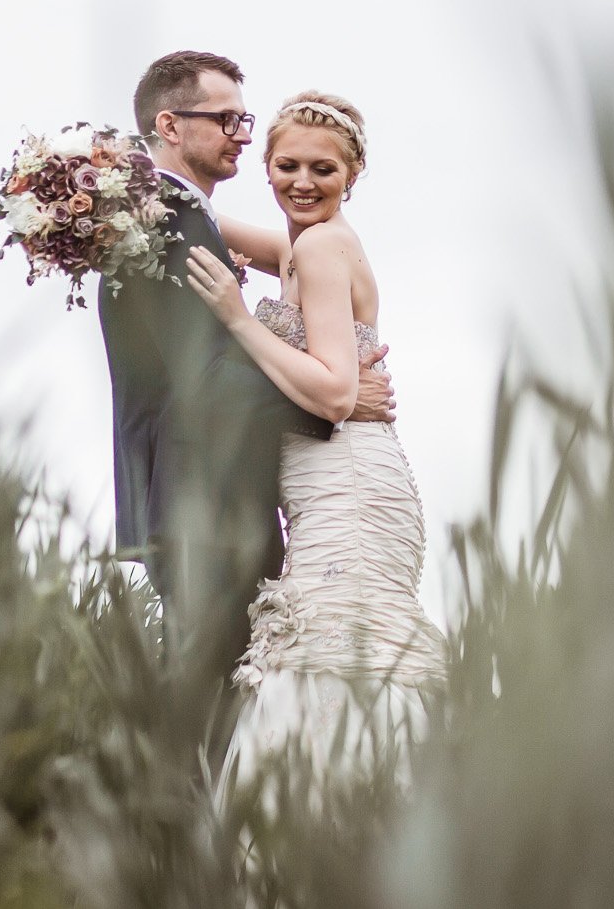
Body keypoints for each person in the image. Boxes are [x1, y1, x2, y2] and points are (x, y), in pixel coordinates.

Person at [97, 52, 397, 772]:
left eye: (244, 120)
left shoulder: (215, 222)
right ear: (170, 124)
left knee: (244, 697)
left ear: (353, 174)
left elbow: (264, 264)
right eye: (227, 119)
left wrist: (244, 317)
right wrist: (345, 393)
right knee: (222, 705)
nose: (238, 131)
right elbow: (206, 383)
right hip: (213, 502)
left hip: (278, 494)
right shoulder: (172, 217)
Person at [182, 90, 445, 777]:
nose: (303, 182)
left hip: (346, 486)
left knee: (328, 644)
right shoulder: (302, 243)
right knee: (333, 643)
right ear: (265, 166)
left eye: (323, 171)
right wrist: (132, 180)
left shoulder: (325, 245)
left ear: (353, 175)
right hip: (342, 478)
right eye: (288, 165)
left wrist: (241, 319)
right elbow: (209, 219)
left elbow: (333, 393)